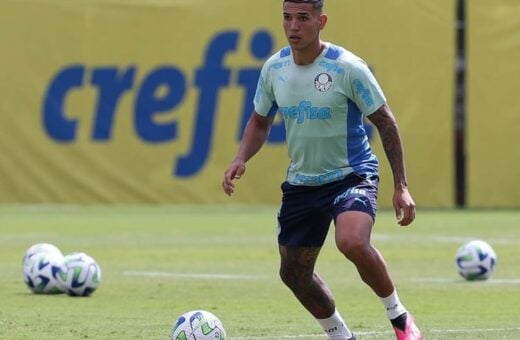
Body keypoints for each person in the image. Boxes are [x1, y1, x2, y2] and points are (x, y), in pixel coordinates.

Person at [222, 0, 422, 339]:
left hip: (351, 174)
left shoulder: (347, 68)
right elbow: (259, 120)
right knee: (294, 274)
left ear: (321, 20)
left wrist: (401, 185)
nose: (293, 26)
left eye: (303, 18)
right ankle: (340, 335)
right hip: (302, 184)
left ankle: (399, 316)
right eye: (287, 17)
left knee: (352, 241)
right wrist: (241, 157)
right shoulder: (274, 69)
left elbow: (385, 121)